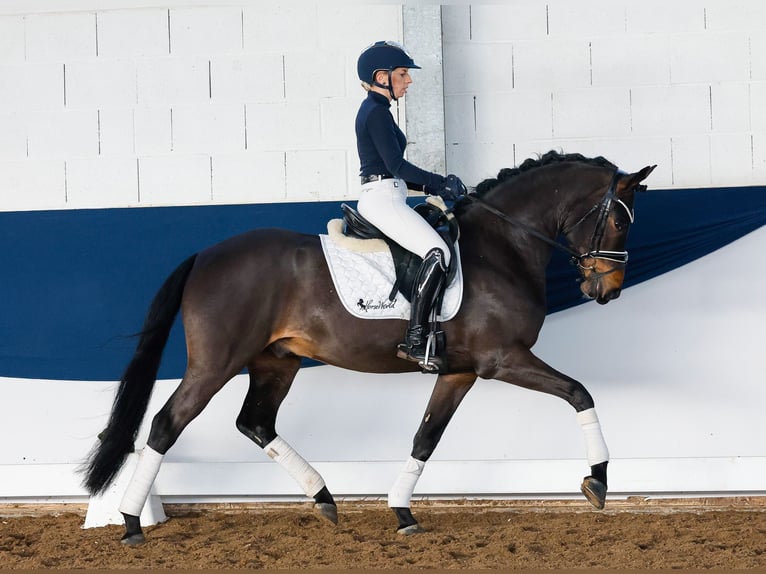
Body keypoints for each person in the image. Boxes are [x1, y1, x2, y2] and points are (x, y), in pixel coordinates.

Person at [355, 40, 467, 372]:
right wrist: (437, 181)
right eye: (402, 74)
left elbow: (396, 171)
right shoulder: (375, 113)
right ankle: (416, 340)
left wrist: (437, 186)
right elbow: (396, 166)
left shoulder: (378, 111)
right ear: (381, 76)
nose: (409, 81)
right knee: (438, 252)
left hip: (390, 193)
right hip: (383, 198)